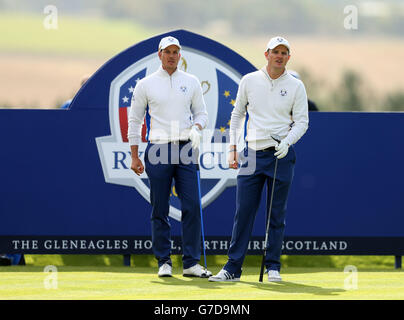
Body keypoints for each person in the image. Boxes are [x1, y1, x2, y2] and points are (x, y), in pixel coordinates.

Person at [209, 36, 309, 282]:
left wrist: (287, 142)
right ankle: (233, 268)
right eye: (275, 51)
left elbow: (302, 121)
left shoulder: (296, 86)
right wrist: (232, 148)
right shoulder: (250, 81)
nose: (279, 56)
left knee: (276, 214)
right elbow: (236, 115)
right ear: (266, 54)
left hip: (280, 154)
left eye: (284, 52)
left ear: (288, 57)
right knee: (244, 212)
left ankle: (272, 266)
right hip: (251, 154)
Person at [128, 36, 212, 278]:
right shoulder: (146, 84)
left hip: (186, 147)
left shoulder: (191, 81)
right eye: (168, 52)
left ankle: (191, 263)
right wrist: (134, 156)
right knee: (160, 207)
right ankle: (164, 260)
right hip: (158, 148)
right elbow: (135, 122)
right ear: (159, 54)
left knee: (193, 205)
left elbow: (202, 113)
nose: (172, 55)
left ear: (180, 55)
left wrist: (197, 127)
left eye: (176, 52)